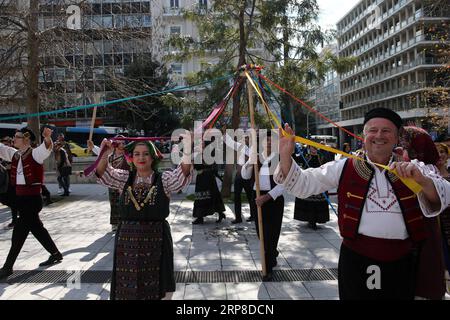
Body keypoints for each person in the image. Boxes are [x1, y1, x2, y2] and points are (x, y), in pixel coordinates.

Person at [275, 107, 450, 299]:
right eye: (372, 130)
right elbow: (303, 184)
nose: (379, 136)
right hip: (356, 261)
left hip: (402, 262)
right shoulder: (344, 166)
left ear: (397, 137)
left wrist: (422, 181)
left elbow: (445, 194)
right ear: (363, 135)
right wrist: (285, 155)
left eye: (386, 131)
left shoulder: (413, 168)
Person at [93, 137, 192, 300]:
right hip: (127, 243)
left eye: (146, 154)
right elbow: (103, 173)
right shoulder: (124, 178)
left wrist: (188, 147)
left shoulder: (164, 179)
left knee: (158, 287)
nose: (141, 158)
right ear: (131, 157)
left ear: (153, 157)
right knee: (127, 290)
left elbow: (183, 174)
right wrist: (105, 153)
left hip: (156, 240)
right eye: (137, 154)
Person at [0, 127, 63, 279]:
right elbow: (1, 148)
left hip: (32, 200)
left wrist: (47, 138)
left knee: (19, 233)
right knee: (37, 229)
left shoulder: (35, 154)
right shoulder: (15, 154)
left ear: (26, 139)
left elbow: (46, 148)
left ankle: (8, 267)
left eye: (17, 137)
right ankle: (55, 254)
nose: (14, 139)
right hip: (21, 200)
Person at [398, 126, 446, 300]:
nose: (405, 151)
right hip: (407, 228)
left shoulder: (428, 170)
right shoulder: (400, 166)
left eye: (408, 147)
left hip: (423, 226)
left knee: (425, 265)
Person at [241, 130, 284, 281]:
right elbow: (245, 176)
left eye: (271, 141)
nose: (268, 143)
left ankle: (268, 267)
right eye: (266, 141)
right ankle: (272, 253)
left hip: (273, 199)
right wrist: (249, 162)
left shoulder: (281, 158)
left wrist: (266, 197)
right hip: (257, 197)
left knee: (271, 234)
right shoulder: (256, 157)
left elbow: (284, 184)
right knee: (261, 234)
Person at [89, 136, 130, 231]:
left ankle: (124, 222)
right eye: (120, 143)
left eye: (124, 143)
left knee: (124, 202)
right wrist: (92, 146)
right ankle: (115, 224)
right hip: (112, 182)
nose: (122, 145)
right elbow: (101, 153)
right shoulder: (110, 155)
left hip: (123, 182)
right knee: (114, 203)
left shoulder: (128, 155)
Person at [293, 145, 329, 230]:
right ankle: (310, 221)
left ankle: (316, 220)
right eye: (312, 147)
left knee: (317, 203)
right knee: (309, 203)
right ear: (309, 148)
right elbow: (295, 159)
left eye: (315, 147)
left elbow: (327, 166)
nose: (314, 149)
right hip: (308, 183)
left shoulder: (321, 157)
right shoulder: (305, 156)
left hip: (318, 183)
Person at [192, 140, 226, 225]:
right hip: (201, 177)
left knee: (213, 195)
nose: (200, 145)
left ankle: (221, 214)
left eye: (202, 144)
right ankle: (200, 217)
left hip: (209, 177)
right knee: (200, 196)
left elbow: (212, 164)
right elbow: (196, 166)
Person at [224, 133, 254, 223]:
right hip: (239, 176)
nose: (246, 140)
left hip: (248, 177)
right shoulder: (241, 146)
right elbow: (230, 142)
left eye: (248, 138)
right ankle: (238, 218)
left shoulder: (254, 149)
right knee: (237, 197)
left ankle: (253, 215)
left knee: (250, 197)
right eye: (245, 138)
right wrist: (224, 133)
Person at [435, 142, 450, 295]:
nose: (440, 154)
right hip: (437, 227)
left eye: (443, 151)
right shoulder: (428, 176)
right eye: (437, 152)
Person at [0, 136, 17, 228]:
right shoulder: (2, 154)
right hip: (4, 182)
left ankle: (15, 220)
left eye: (7, 143)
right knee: (6, 200)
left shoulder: (14, 153)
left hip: (13, 182)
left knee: (13, 202)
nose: (5, 145)